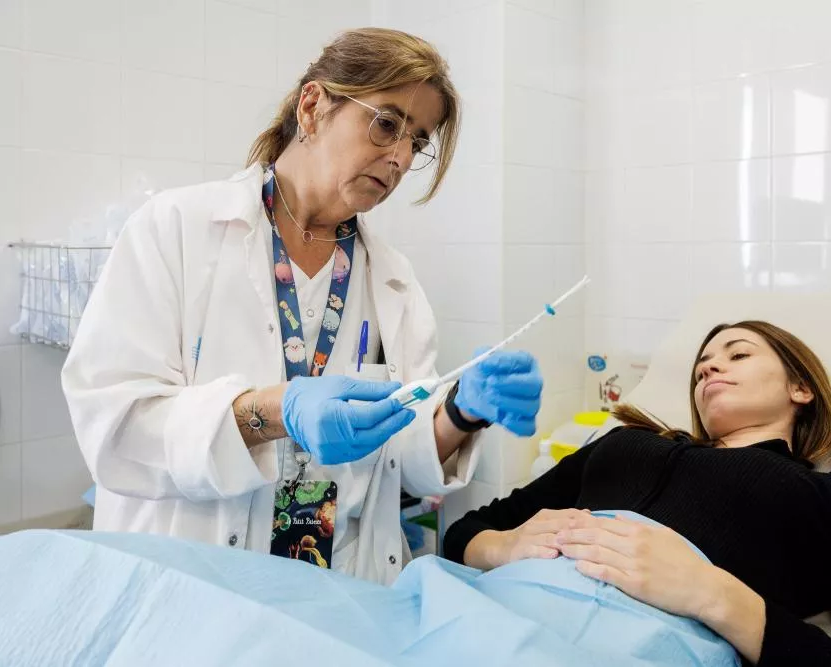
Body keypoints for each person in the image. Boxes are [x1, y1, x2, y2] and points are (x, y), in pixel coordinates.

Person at [61, 27, 543, 586]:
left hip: (338, 589)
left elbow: (403, 458)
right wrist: (276, 409)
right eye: (387, 123)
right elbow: (113, 427)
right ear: (313, 107)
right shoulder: (176, 232)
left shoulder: (392, 281)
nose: (401, 157)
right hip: (192, 583)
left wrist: (461, 412)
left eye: (418, 140)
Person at [444, 321, 831, 666]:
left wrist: (713, 594)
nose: (708, 367)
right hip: (476, 618)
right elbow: (465, 531)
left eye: (738, 354)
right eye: (702, 364)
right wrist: (502, 546)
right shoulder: (623, 445)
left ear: (801, 388)